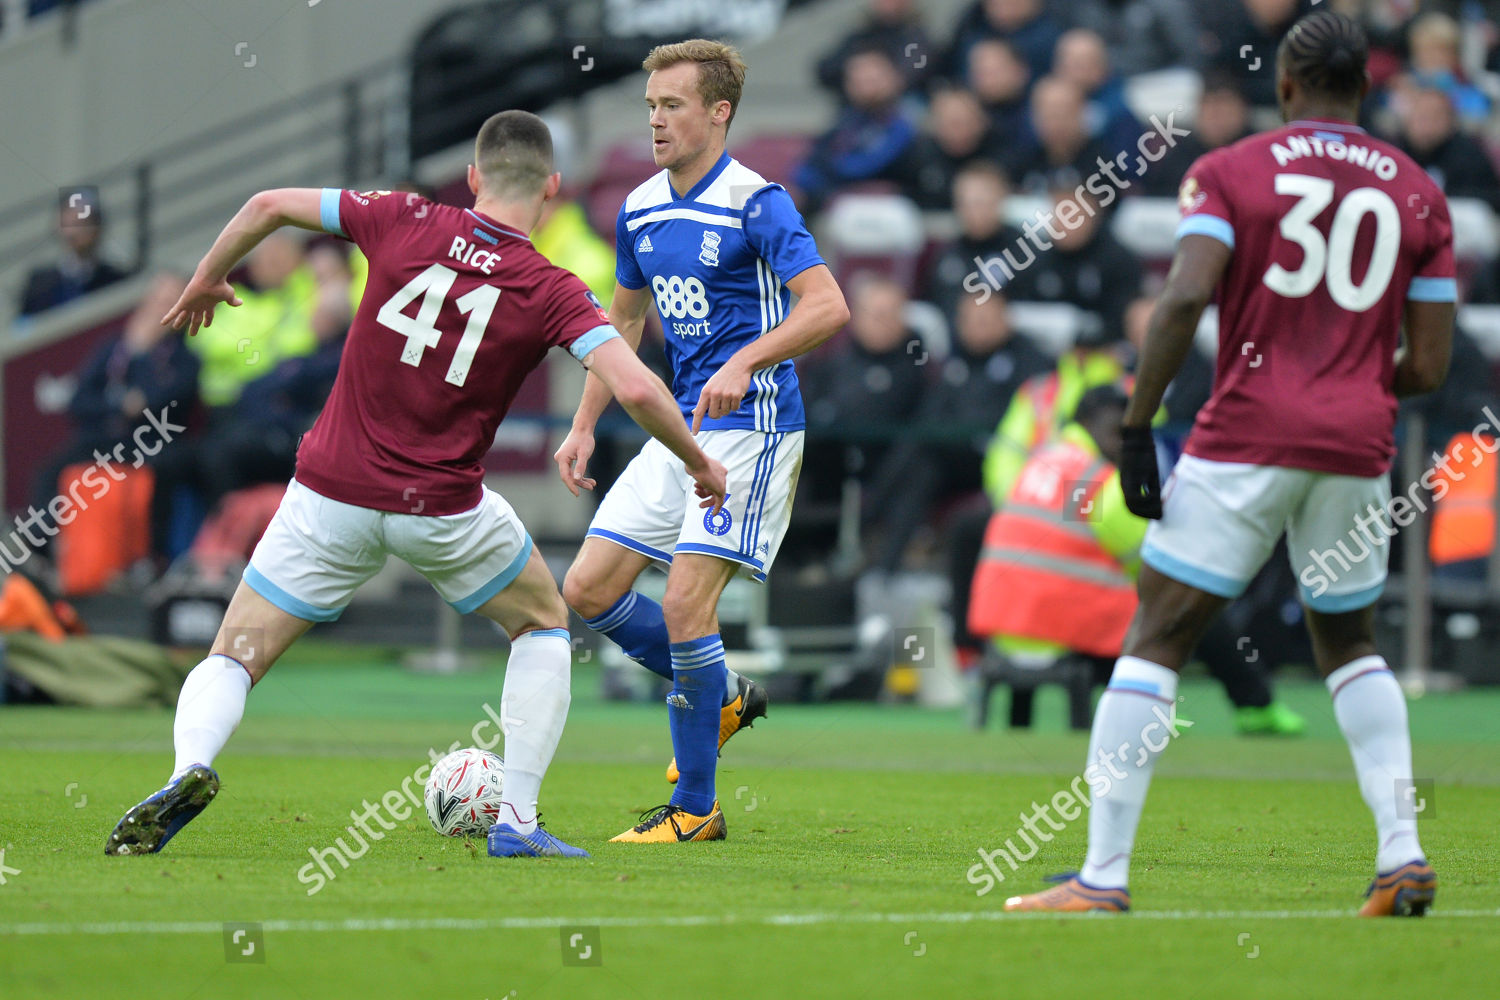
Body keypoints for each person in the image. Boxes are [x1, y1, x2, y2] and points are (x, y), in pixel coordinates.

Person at [104, 110, 728, 860]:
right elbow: (634, 387)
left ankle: (190, 766)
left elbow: (268, 204)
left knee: (235, 654)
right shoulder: (552, 288)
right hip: (442, 508)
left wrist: (208, 276)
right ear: (553, 190)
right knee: (541, 624)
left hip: (328, 494)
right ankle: (518, 824)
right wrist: (696, 459)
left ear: (471, 177)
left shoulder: (400, 217)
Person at [1005, 12, 1454, 916]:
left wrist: (1137, 429)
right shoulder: (1418, 191)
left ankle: (1102, 876)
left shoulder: (1231, 171)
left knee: (1160, 636)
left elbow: (1180, 302)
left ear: (1285, 87)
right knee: (1351, 646)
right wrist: (1353, 381)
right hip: (1359, 443)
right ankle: (1400, 853)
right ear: (1361, 87)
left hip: (1246, 432)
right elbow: (1433, 367)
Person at [557, 40, 847, 843]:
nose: (655, 119)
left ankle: (695, 810)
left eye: (672, 104)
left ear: (719, 113)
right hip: (682, 429)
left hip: (753, 429)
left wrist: (748, 358)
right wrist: (585, 423)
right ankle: (719, 696)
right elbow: (619, 324)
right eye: (649, 105)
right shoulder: (639, 206)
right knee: (586, 589)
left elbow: (827, 307)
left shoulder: (760, 202)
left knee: (686, 603)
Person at [19, 196, 129, 316]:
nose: (74, 232)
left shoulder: (115, 280)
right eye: (70, 224)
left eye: (83, 223)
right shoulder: (39, 284)